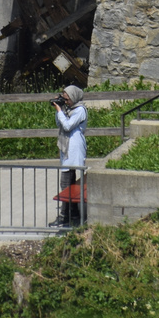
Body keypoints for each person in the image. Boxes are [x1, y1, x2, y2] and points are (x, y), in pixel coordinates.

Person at [53, 85, 87, 228]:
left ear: (73, 97)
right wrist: (58, 110)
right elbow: (59, 123)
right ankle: (74, 215)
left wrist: (60, 111)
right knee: (70, 184)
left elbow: (67, 126)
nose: (65, 101)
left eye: (66, 99)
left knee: (66, 184)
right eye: (64, 99)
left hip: (74, 150)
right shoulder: (69, 110)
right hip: (67, 150)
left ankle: (64, 217)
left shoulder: (79, 110)